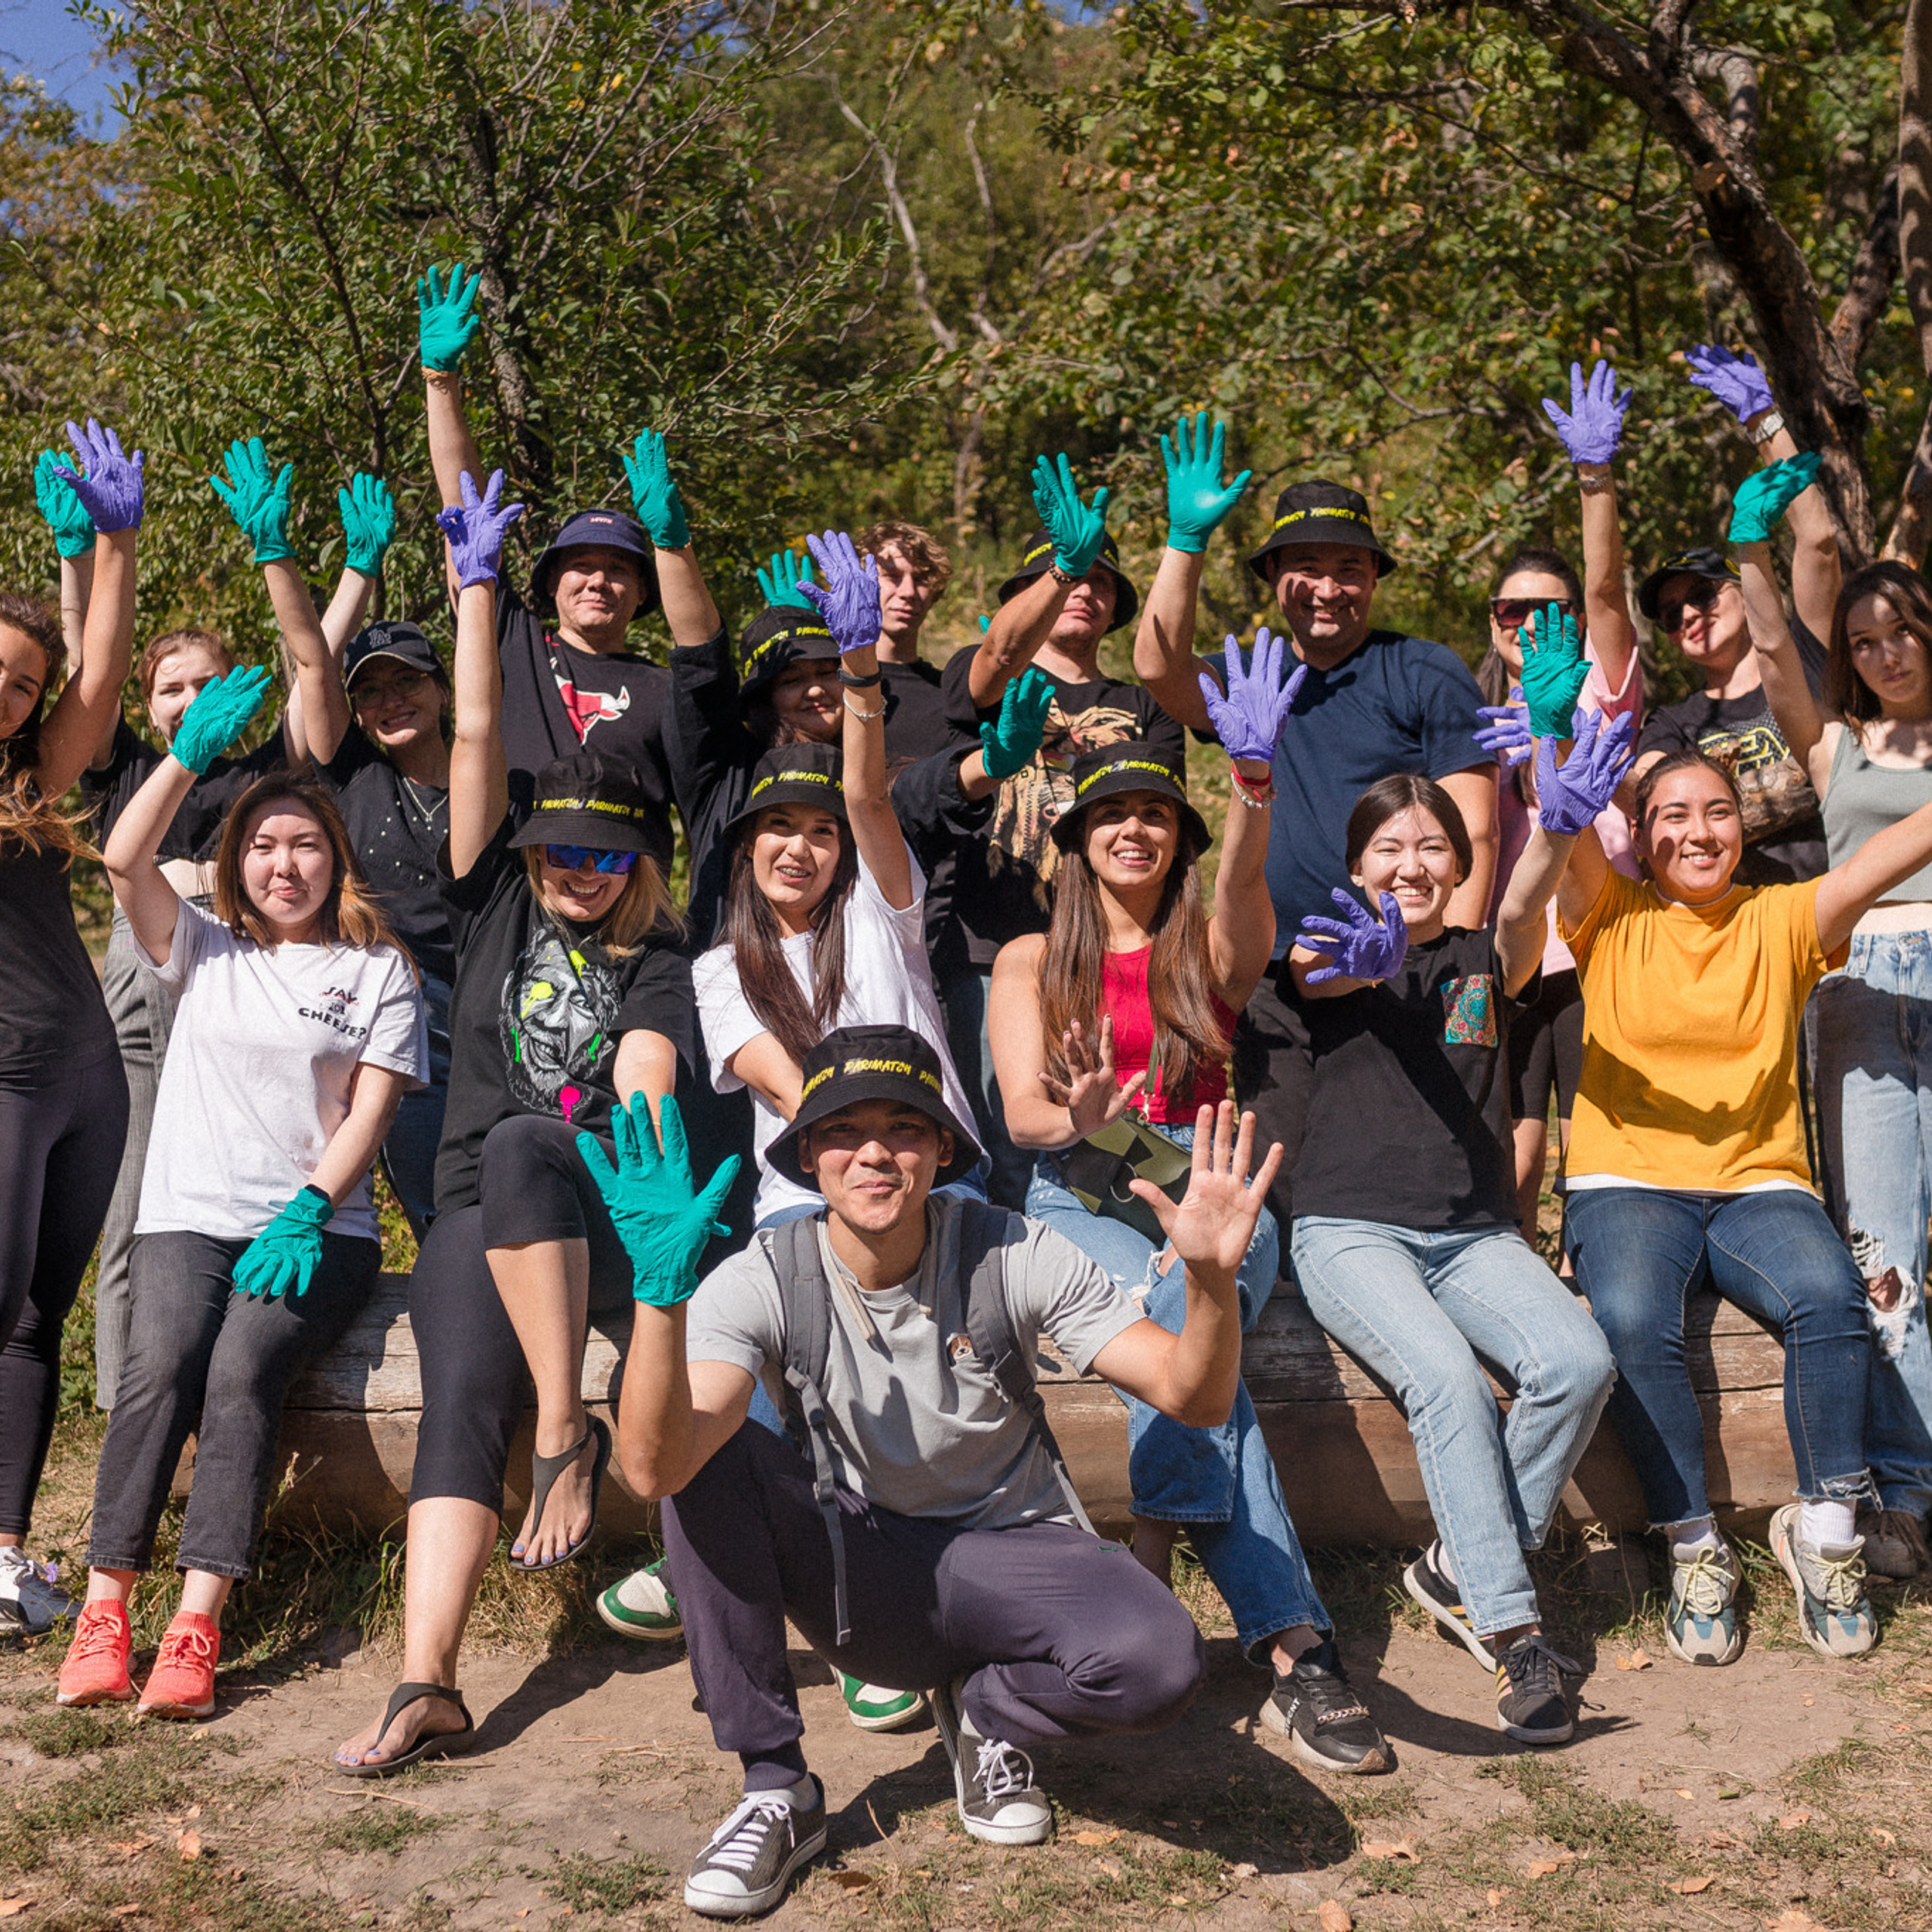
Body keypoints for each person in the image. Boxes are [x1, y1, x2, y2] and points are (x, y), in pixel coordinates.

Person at [601, 1021, 1280, 1918]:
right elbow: (657, 1467)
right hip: (867, 1575)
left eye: (906, 1128)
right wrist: (660, 1300)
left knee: (1160, 1664)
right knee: (701, 1453)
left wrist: (1206, 1279)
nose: (875, 1152)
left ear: (942, 1151)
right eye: (844, 1129)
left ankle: (987, 1710)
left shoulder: (1011, 1248)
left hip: (1015, 1550)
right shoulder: (767, 1270)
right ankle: (775, 1787)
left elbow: (1187, 1395)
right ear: (808, 1153)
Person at [330, 472, 695, 1777]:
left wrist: (648, 1136)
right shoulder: (494, 903)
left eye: (605, 854)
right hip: (487, 1212)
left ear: (638, 860)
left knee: (546, 1138)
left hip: (604, 1201)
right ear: (528, 857)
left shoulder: (662, 952)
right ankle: (428, 1679)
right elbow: (476, 730)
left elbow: (650, 1062)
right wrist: (476, 591)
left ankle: (566, 1441)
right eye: (560, 853)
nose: (579, 871)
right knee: (452, 1385)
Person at [989, 642, 1394, 1777]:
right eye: (1111, 813)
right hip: (1072, 1200)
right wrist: (1100, 1126)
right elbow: (1029, 1122)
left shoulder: (1208, 951)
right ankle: (1300, 1654)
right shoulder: (1029, 958)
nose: (1135, 829)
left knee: (1185, 1306)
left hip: (1207, 1196)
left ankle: (1152, 1550)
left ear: (1180, 839)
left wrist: (1253, 789)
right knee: (1193, 1351)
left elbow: (1246, 893)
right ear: (1076, 840)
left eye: (1158, 816)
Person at [55, 678, 426, 1718]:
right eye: (264, 846)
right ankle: (106, 1605)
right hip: (188, 1215)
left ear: (334, 859)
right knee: (159, 1362)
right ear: (237, 866)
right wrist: (182, 759)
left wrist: (310, 1205)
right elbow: (124, 857)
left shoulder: (377, 972)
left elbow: (372, 1113)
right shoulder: (204, 950)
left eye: (305, 844)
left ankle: (197, 1622)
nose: (285, 863)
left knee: (242, 1367)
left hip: (318, 1226)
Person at [1558, 739, 1932, 1665]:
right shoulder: (1607, 910)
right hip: (1626, 1180)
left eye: (1716, 811)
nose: (1697, 831)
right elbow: (1559, 825)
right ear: (1639, 839)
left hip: (1758, 1183)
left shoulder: (1783, 917)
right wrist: (1549, 729)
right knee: (1635, 1317)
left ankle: (1828, 1532)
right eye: (1671, 816)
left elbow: (1902, 845)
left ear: (1743, 825)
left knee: (1831, 1297)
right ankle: (1691, 1544)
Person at [1287, 722, 1623, 1744]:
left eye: (1433, 845)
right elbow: (1317, 974)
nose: (1412, 862)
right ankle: (1515, 1634)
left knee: (1576, 1358)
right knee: (1444, 1380)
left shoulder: (1487, 959)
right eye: (1389, 846)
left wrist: (1557, 823)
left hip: (1474, 1234)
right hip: (1347, 1230)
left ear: (1459, 863)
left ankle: (1454, 1565)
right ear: (1357, 865)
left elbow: (1524, 910)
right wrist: (1366, 956)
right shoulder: (1321, 943)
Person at [71, 443, 383, 1404]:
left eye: (209, 684)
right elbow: (90, 663)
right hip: (145, 997)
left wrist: (351, 573)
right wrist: (77, 553)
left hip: (244, 999)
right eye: (172, 688)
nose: (191, 700)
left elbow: (313, 666)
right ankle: (133, 1400)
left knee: (241, 1203)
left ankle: (239, 1387)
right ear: (150, 703)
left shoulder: (264, 773)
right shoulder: (126, 767)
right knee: (137, 1211)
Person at [1133, 429, 1494, 1224]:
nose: (1328, 588)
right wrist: (1184, 542)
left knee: (1403, 1167)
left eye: (1349, 569)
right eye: (1306, 567)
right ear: (1271, 578)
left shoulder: (1421, 669)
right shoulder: (1255, 677)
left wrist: (1453, 960)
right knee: (1279, 1169)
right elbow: (1157, 668)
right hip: (1273, 974)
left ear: (1373, 580)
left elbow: (1472, 830)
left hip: (1398, 967)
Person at [1740, 490, 1932, 1580]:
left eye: (1901, 628)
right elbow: (1772, 638)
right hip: (1862, 993)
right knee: (1885, 1263)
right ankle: (1907, 1496)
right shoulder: (1835, 743)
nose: (1884, 650)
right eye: (1862, 641)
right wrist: (1742, 544)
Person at [695, 531, 991, 1232]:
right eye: (779, 828)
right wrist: (865, 1170)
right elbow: (792, 1093)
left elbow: (866, 798)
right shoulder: (721, 969)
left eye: (822, 833)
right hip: (805, 1194)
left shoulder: (881, 910)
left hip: (938, 1176)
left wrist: (860, 669)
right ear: (746, 846)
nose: (800, 848)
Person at [939, 451, 1182, 1207]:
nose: (1084, 592)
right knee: (996, 1135)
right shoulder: (985, 680)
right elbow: (997, 656)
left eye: (1100, 581)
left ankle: (1101, 1274)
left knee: (1097, 1140)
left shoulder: (1140, 703)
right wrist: (1060, 568)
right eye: (1068, 578)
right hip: (989, 950)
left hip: (1101, 954)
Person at [419, 262, 714, 882]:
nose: (598, 581)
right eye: (579, 567)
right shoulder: (511, 642)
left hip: (626, 910)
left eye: (617, 572)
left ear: (641, 596)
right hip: (517, 900)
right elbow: (462, 500)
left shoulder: (663, 690)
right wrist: (440, 382)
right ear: (551, 585)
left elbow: (705, 659)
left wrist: (673, 542)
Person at [236, 448, 453, 1238]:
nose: (392, 699)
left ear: (441, 687)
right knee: (437, 1204)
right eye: (374, 691)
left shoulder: (487, 773)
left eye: (408, 681)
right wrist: (277, 554)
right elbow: (310, 658)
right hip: (401, 1011)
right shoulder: (352, 775)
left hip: (499, 1008)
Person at [0, 420, 140, 1637]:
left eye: (18, 682)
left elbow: (100, 676)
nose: (7, 692)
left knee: (39, 1318)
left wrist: (111, 540)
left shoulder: (30, 783)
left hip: (87, 1079)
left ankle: (3, 1557)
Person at [1474, 361, 1644, 1241]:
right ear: (1492, 619)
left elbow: (1610, 586)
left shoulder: (1602, 694)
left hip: (1591, 948)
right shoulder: (1463, 715)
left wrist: (1593, 480)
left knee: (1591, 1146)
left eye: (1552, 610)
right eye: (1512, 609)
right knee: (1513, 1149)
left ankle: (1593, 1288)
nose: (1531, 623)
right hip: (1505, 953)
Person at [1629, 343, 1844, 886]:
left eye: (1703, 595)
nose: (1690, 616)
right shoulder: (1674, 723)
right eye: (1672, 615)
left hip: (1842, 902)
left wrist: (1763, 422)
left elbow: (1818, 542)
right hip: (1741, 929)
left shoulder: (1807, 656)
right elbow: (1647, 790)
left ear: (1745, 592)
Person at [856, 518, 954, 759]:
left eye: (921, 579)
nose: (909, 592)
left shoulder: (948, 694)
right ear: (861, 583)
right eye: (892, 576)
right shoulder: (838, 685)